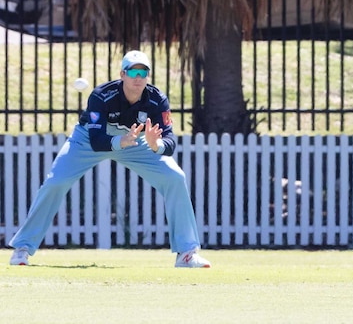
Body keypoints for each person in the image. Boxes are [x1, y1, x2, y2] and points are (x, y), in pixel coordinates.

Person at [8, 50, 211, 268]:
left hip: (136, 142)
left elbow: (169, 141)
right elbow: (96, 140)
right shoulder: (101, 95)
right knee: (55, 181)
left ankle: (186, 253)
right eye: (133, 71)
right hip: (87, 141)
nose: (138, 77)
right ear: (122, 74)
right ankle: (22, 248)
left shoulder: (157, 100)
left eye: (143, 72)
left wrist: (156, 145)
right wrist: (119, 141)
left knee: (175, 177)